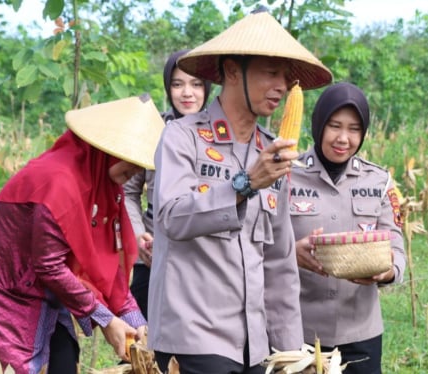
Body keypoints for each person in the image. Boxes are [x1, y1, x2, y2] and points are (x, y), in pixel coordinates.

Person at [147, 8, 332, 374]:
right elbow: (171, 217)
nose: (282, 85)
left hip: (254, 342)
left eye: (286, 76)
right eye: (270, 72)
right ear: (233, 70)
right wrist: (244, 185)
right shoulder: (182, 137)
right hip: (194, 338)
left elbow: (279, 261)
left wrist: (291, 351)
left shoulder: (272, 151)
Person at [0, 94, 165, 374]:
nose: (137, 170)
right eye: (130, 158)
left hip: (40, 295)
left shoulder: (104, 186)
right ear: (104, 149)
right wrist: (107, 320)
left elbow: (109, 260)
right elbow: (50, 266)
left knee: (63, 362)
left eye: (143, 162)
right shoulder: (59, 183)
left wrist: (133, 318)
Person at [289, 82, 406, 374]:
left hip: (360, 335)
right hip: (297, 331)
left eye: (354, 129)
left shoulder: (379, 181)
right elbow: (262, 242)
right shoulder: (287, 176)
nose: (343, 138)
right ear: (318, 125)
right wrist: (291, 252)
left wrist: (389, 270)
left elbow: (396, 244)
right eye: (334, 126)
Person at [124, 49, 211, 320]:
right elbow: (128, 191)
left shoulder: (220, 135)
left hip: (204, 260)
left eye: (196, 84)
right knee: (142, 346)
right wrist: (138, 236)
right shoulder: (152, 130)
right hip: (154, 257)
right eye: (177, 84)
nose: (188, 93)